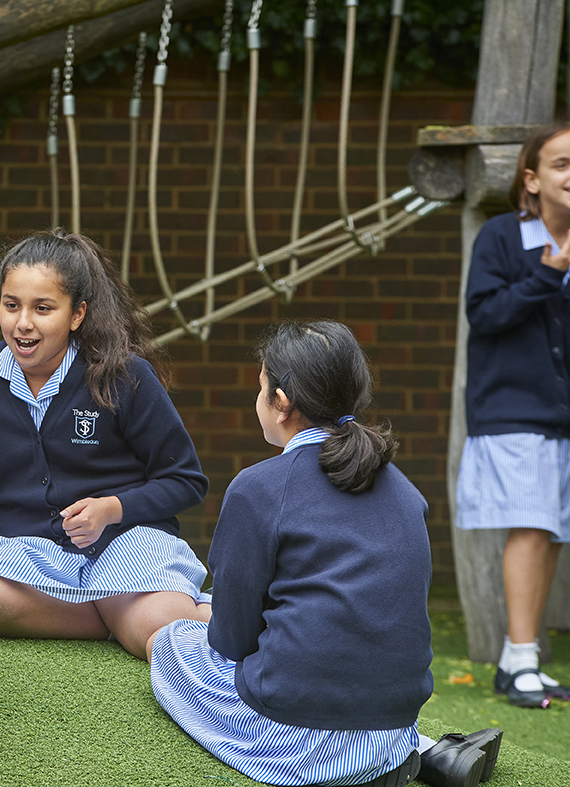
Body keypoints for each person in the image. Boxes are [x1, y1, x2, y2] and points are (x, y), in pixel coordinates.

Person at [148, 320, 502, 787]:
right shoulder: (407, 491)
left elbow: (230, 642)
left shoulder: (257, 488)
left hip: (295, 740)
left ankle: (358, 761)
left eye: (261, 388)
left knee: (170, 642)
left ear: (281, 403)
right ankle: (424, 752)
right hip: (391, 726)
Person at [0, 229, 210, 660]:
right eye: (11, 305)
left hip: (127, 543)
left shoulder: (124, 375)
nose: (23, 323)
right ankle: (112, 616)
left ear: (77, 315)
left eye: (43, 308)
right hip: (30, 556)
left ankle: (138, 612)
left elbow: (185, 480)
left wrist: (111, 509)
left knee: (158, 629)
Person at [456, 123, 570, 708]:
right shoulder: (504, 235)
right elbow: (487, 312)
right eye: (562, 164)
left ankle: (516, 663)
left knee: (549, 533)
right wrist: (549, 273)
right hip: (512, 411)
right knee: (529, 526)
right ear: (532, 179)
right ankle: (522, 657)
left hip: (561, 415)